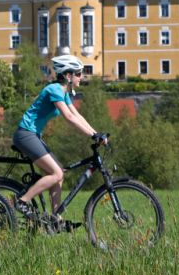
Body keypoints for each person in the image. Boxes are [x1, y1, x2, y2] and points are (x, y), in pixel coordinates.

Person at [12, 54, 108, 223]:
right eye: (78, 74)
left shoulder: (63, 93)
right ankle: (21, 201)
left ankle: (55, 217)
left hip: (33, 135)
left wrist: (96, 133)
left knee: (59, 173)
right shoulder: (54, 89)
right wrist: (92, 136)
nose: (81, 77)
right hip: (25, 134)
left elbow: (77, 115)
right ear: (68, 75)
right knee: (56, 173)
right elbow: (68, 118)